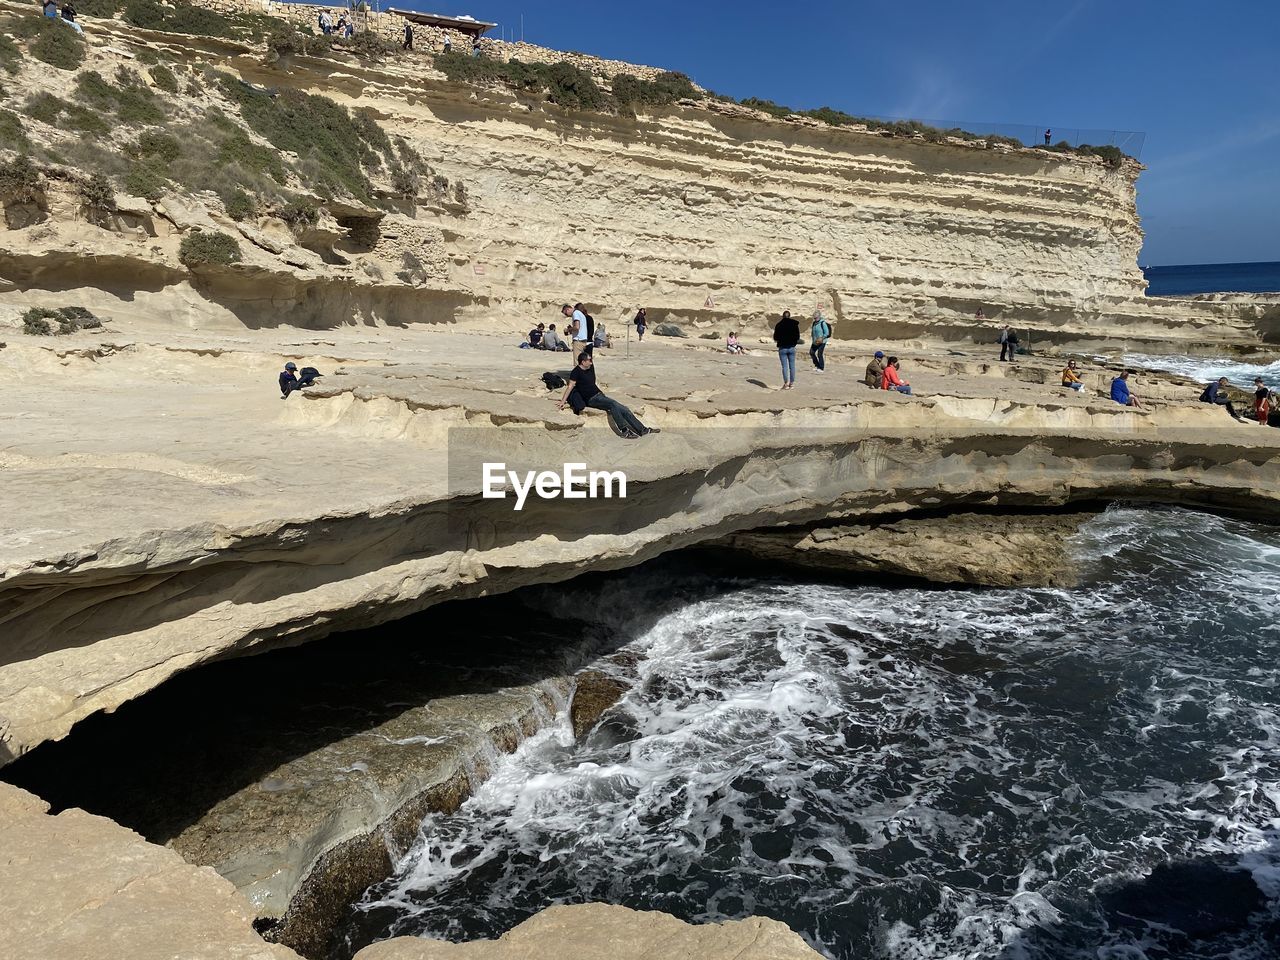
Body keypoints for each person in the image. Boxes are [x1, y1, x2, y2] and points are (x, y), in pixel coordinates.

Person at [557, 351, 659, 438]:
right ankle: (624, 430)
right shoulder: (576, 372)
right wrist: (562, 401)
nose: (591, 363)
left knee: (624, 409)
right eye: (589, 360)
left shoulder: (590, 368)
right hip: (591, 399)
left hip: (600, 395)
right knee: (613, 405)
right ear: (583, 362)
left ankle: (643, 430)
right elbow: (570, 386)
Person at [773, 309, 800, 390]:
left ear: (782, 316)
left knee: (784, 366)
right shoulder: (794, 324)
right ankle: (791, 384)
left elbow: (775, 337)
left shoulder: (779, 325)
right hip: (792, 347)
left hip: (782, 348)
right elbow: (798, 337)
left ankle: (786, 383)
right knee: (792, 366)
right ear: (789, 316)